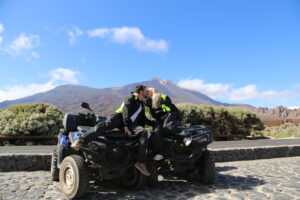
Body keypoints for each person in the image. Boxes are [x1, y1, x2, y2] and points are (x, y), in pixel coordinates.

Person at [71, 85, 155, 176]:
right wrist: (126, 127)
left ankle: (140, 162)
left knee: (144, 132)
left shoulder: (141, 103)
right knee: (103, 126)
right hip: (119, 118)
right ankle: (80, 140)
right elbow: (125, 111)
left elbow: (142, 118)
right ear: (141, 91)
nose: (147, 92)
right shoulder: (130, 97)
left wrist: (154, 124)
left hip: (131, 124)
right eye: (146, 90)